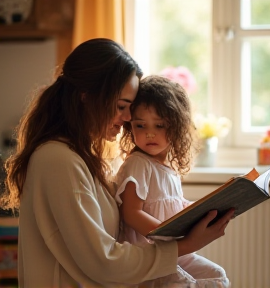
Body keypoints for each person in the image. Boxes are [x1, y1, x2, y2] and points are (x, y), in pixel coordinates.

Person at [1, 38, 234, 288]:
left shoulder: (79, 156)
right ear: (86, 97)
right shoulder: (58, 160)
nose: (127, 118)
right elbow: (103, 261)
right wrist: (185, 245)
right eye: (121, 106)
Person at [115, 75, 230, 287]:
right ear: (130, 127)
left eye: (159, 125)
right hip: (150, 253)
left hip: (174, 250)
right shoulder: (139, 163)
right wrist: (171, 238)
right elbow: (131, 213)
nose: (149, 133)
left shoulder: (169, 169)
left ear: (177, 126)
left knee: (216, 275)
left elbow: (172, 204)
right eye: (140, 126)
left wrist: (205, 210)